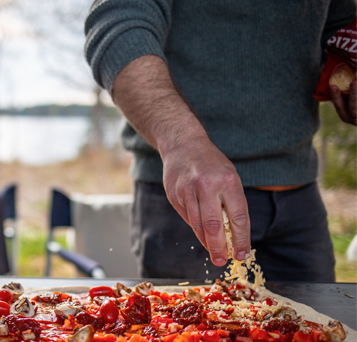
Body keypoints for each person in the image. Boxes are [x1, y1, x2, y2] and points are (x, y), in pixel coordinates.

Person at [84, 1, 356, 281]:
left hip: (300, 199)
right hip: (191, 196)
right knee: (184, 324)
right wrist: (184, 143)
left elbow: (340, 31)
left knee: (316, 323)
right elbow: (119, 26)